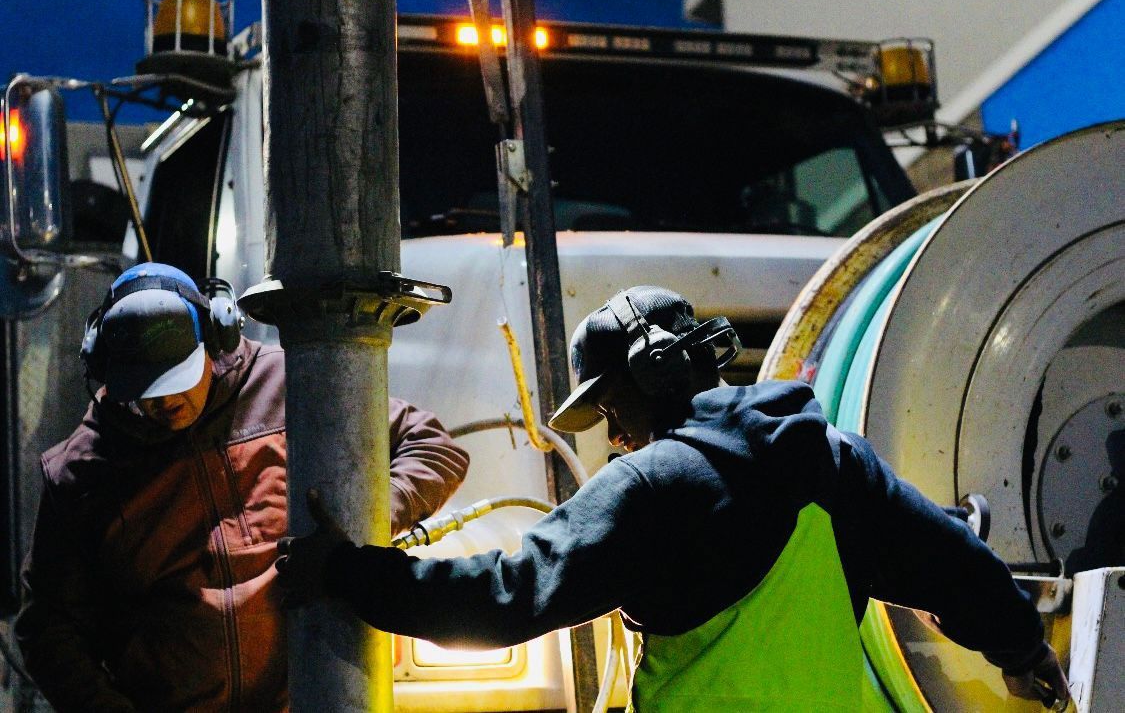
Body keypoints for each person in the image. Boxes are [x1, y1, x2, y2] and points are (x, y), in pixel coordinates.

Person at [276, 285, 1069, 711]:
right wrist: (1023, 652)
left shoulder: (651, 486)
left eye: (609, 403)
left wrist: (349, 573)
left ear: (651, 377)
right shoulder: (834, 460)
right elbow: (953, 564)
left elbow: (503, 600)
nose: (610, 428)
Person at [15, 262, 470, 712]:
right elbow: (47, 628)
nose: (166, 401)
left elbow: (433, 447)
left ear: (215, 338)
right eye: (146, 392)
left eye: (178, 378)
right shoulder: (81, 471)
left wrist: (368, 513)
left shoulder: (293, 385)